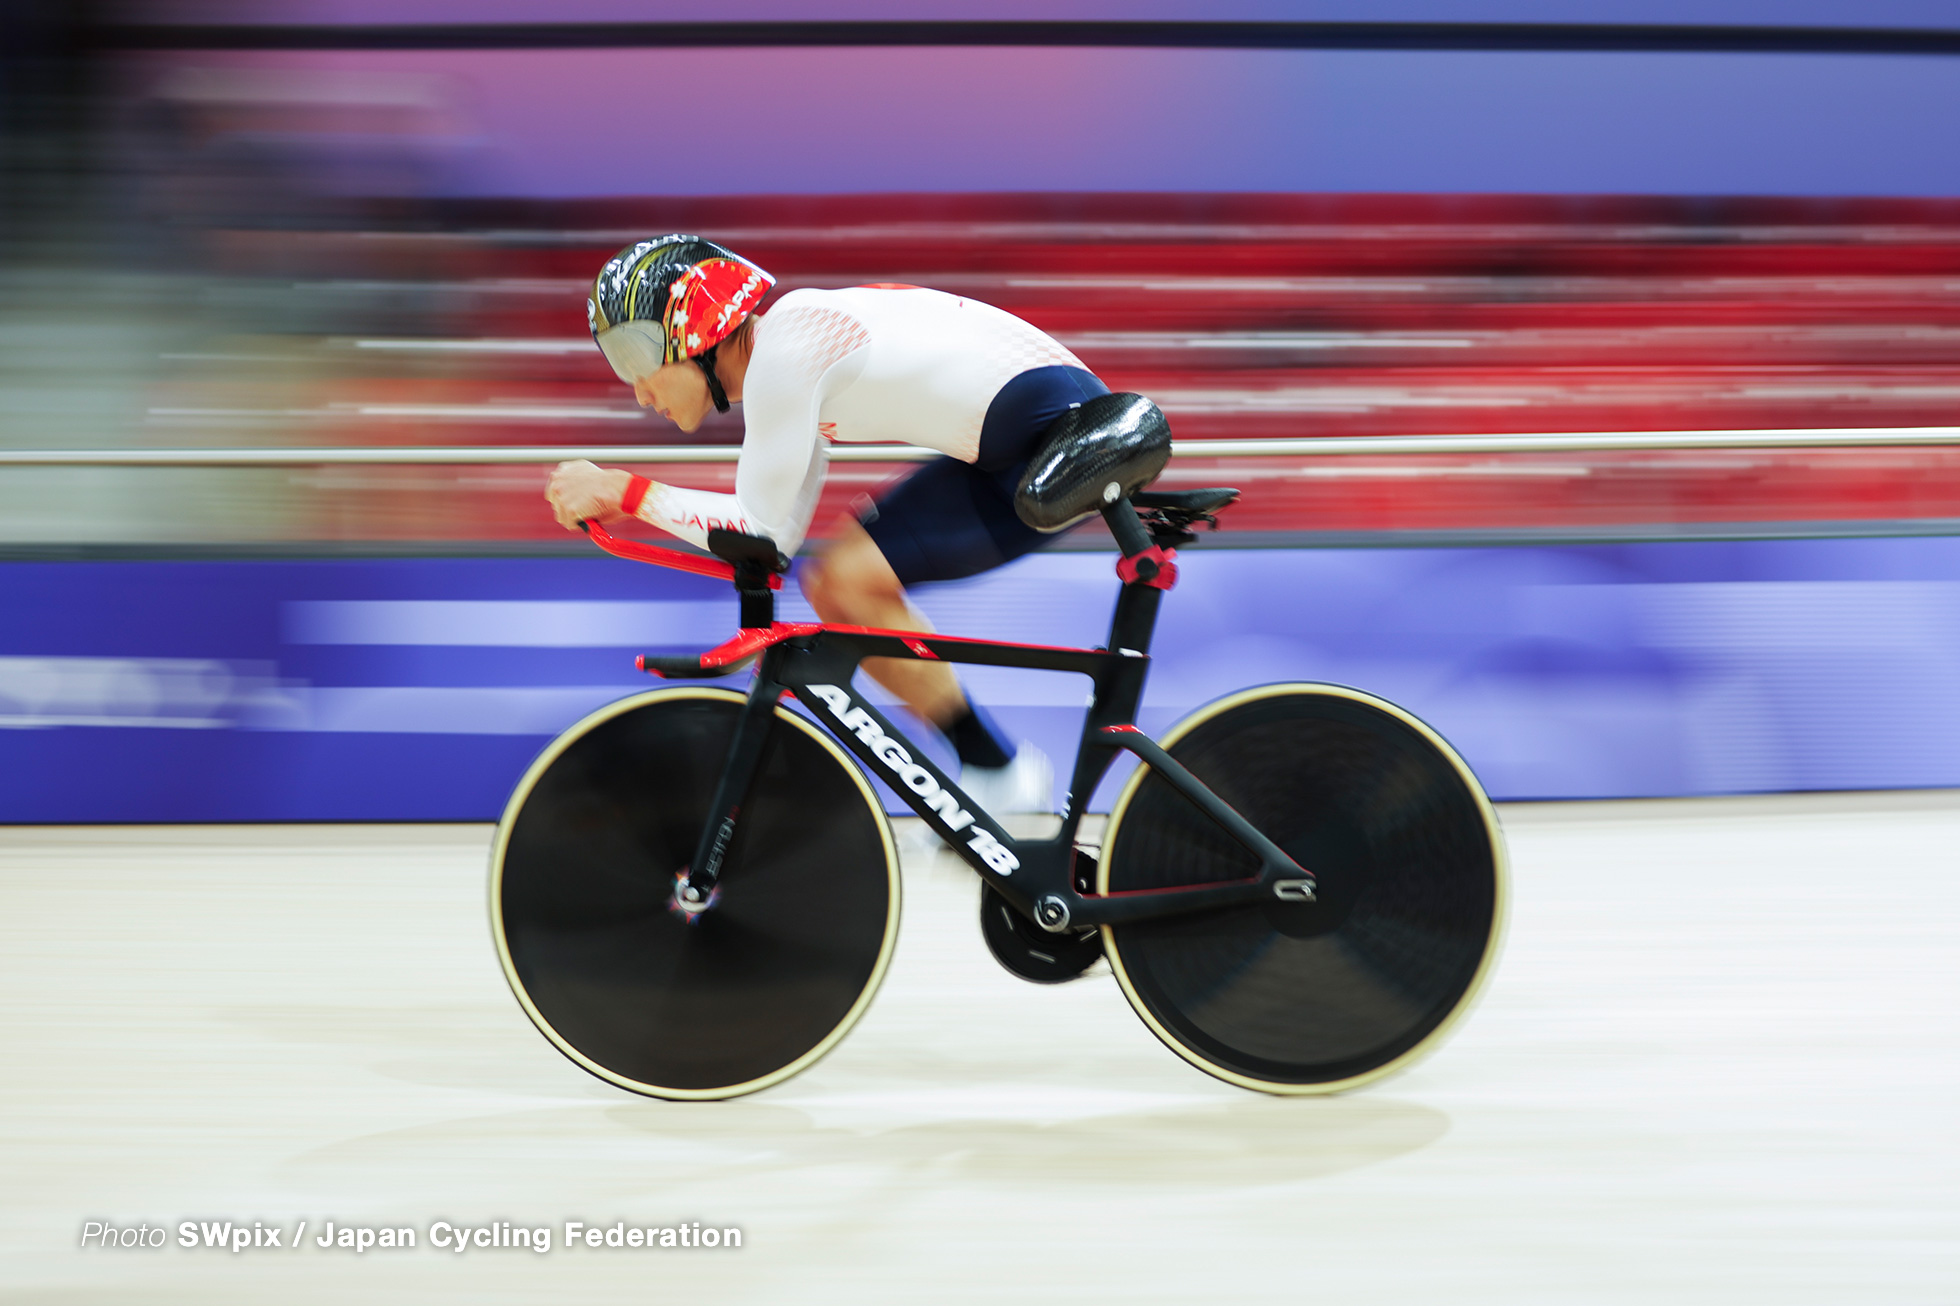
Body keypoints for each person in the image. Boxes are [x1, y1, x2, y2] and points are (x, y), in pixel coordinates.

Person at [545, 234, 1114, 814]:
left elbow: (758, 526)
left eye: (638, 360)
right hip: (1021, 442)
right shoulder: (790, 352)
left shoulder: (788, 351)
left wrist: (625, 490)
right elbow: (773, 539)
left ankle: (998, 772)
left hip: (1060, 445)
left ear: (696, 326)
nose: (640, 393)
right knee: (841, 583)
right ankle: (994, 768)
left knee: (845, 583)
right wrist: (640, 501)